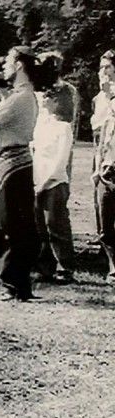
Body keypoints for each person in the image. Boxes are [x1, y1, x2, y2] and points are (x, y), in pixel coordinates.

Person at [0, 46, 41, 301]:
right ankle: (17, 283)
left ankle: (15, 281)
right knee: (14, 223)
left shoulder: (20, 98)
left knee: (11, 224)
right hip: (13, 162)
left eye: (8, 61)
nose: (3, 67)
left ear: (19, 65)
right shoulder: (21, 95)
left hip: (13, 163)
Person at [32, 92, 76, 284]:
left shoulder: (63, 127)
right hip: (37, 181)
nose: (43, 100)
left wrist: (46, 182)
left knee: (56, 226)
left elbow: (61, 159)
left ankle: (65, 267)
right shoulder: (41, 125)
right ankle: (45, 267)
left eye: (47, 97)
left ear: (56, 101)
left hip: (55, 183)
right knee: (40, 227)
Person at [93, 86, 115, 283]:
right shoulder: (108, 123)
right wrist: (98, 170)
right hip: (107, 173)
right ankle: (113, 265)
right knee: (105, 226)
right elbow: (101, 147)